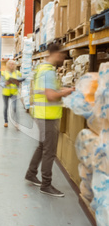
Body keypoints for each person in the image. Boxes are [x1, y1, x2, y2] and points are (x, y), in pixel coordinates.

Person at [25, 44, 74, 197]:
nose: (63, 58)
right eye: (62, 55)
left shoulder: (41, 69)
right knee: (49, 151)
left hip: (41, 113)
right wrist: (68, 91)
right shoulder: (48, 72)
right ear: (56, 53)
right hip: (48, 116)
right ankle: (46, 184)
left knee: (42, 146)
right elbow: (51, 95)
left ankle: (31, 173)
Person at [0, 60, 22, 128]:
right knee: (6, 107)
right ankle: (6, 122)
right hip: (6, 92)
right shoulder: (4, 73)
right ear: (7, 65)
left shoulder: (18, 73)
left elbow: (19, 82)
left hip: (14, 92)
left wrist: (18, 83)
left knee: (15, 107)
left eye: (13, 64)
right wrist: (5, 84)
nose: (11, 65)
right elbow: (1, 83)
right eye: (10, 64)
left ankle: (16, 123)